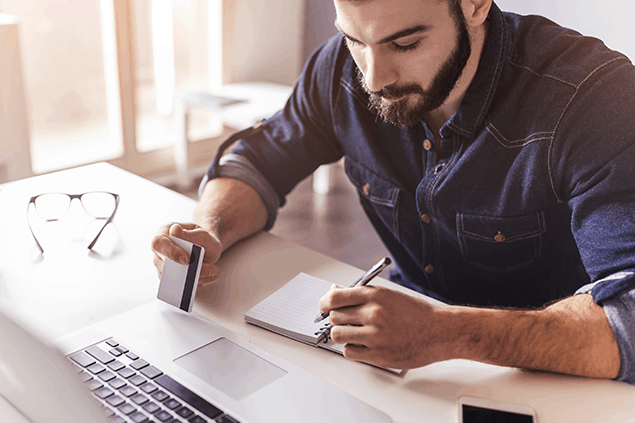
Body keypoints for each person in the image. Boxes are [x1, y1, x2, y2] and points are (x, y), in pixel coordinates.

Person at [151, 0, 635, 383]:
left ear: (474, 4)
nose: (374, 78)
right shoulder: (342, 71)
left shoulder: (594, 98)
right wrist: (211, 229)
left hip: (554, 373)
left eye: (404, 44)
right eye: (354, 39)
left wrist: (448, 333)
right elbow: (257, 158)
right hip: (399, 353)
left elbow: (628, 317)